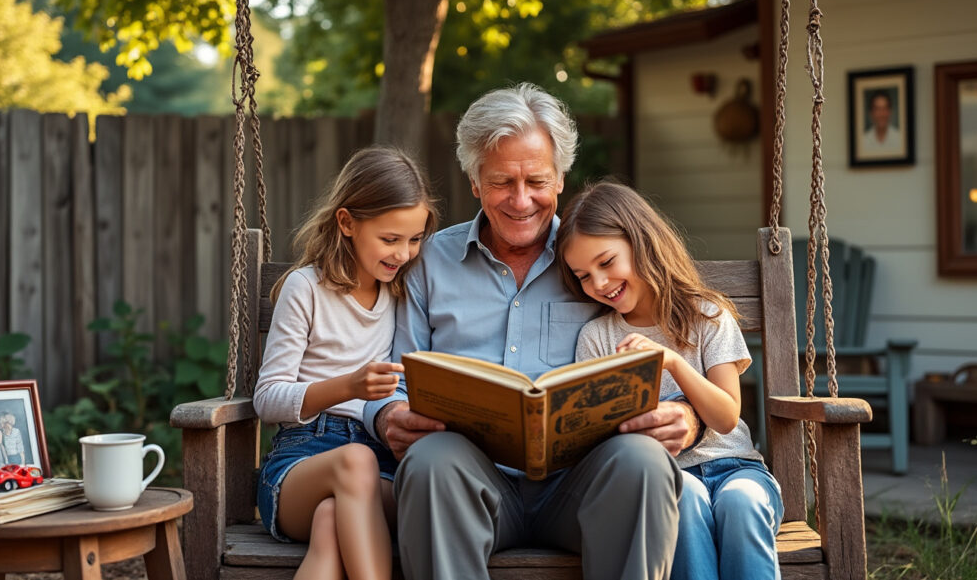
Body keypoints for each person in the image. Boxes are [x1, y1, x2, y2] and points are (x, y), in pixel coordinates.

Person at [364, 83, 697, 580]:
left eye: (536, 181)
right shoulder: (429, 260)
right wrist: (389, 413)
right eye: (501, 182)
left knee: (643, 462)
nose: (521, 201)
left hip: (584, 485)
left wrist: (687, 419)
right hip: (471, 484)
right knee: (431, 460)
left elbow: (676, 344)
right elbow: (394, 376)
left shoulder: (596, 261)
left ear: (561, 178)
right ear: (474, 182)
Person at [557, 181, 784, 580]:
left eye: (607, 262)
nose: (599, 283)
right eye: (583, 276)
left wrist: (673, 363)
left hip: (735, 468)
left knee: (742, 503)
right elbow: (598, 436)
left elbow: (728, 417)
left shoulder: (708, 317)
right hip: (666, 478)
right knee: (685, 501)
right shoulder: (598, 338)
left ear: (641, 242)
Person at [253, 146, 438, 580]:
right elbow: (267, 399)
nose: (403, 254)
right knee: (354, 462)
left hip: (378, 465)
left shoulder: (403, 292)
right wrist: (348, 387)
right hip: (301, 462)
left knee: (331, 520)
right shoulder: (306, 289)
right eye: (390, 239)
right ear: (347, 222)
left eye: (414, 240)